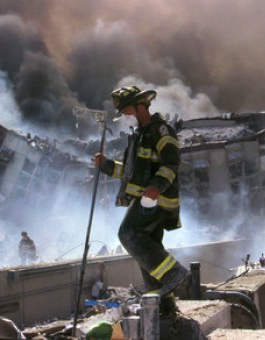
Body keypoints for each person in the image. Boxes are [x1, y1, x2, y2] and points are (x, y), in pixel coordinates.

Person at [93, 85, 189, 316]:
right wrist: (105, 165)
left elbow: (171, 163)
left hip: (156, 200)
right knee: (148, 252)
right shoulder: (139, 137)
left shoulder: (161, 130)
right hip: (147, 198)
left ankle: (174, 273)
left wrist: (156, 187)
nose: (126, 117)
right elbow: (129, 174)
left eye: (127, 111)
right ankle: (163, 303)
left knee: (128, 234)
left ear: (140, 107)